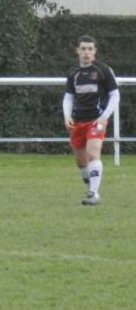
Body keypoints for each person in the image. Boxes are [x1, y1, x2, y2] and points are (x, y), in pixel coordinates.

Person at [63, 34, 119, 206]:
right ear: (77, 51)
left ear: (95, 51)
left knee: (93, 153)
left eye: (90, 49)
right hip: (78, 121)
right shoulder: (73, 73)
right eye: (83, 49)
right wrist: (67, 115)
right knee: (81, 161)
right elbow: (68, 97)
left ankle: (94, 193)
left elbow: (115, 95)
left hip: (97, 120)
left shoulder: (103, 70)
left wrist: (104, 117)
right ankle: (89, 187)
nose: (87, 52)